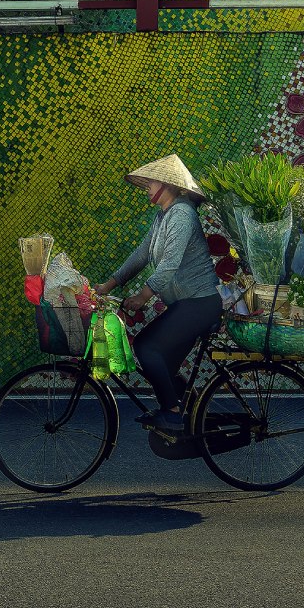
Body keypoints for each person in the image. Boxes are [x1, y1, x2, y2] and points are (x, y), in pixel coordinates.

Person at [94, 154, 224, 435]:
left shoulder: (182, 213)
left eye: (152, 182)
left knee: (146, 347)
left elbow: (170, 263)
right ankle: (193, 418)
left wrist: (143, 296)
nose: (148, 187)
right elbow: (141, 255)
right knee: (163, 363)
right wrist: (108, 285)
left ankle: (173, 414)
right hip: (186, 304)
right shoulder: (163, 215)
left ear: (169, 184)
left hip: (200, 302)